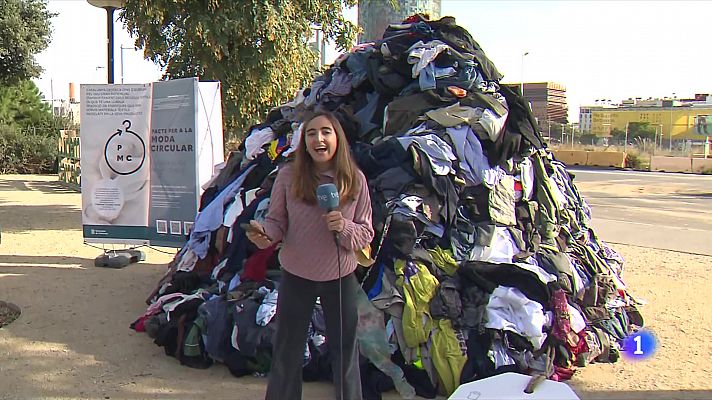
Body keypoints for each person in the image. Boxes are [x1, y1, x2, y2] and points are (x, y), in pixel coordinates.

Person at [246, 111, 374, 400]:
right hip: (296, 273)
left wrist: (345, 226)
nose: (319, 138)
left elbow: (366, 233)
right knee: (287, 352)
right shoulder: (288, 175)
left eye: (326, 131)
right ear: (304, 142)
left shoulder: (355, 180)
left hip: (340, 275)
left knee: (344, 354)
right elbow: (277, 222)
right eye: (312, 133)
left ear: (337, 139)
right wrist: (264, 234)